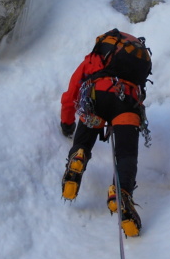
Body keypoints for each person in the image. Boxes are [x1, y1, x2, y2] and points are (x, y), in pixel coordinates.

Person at [59, 30, 151, 237]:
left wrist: (67, 124)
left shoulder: (94, 58)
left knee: (89, 125)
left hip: (96, 96)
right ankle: (122, 192)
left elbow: (72, 92)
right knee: (126, 154)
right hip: (127, 101)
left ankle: (79, 155)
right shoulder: (133, 60)